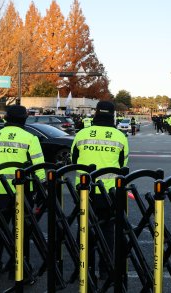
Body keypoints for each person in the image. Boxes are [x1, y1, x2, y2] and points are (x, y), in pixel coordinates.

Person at [0, 105, 45, 272]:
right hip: (22, 191)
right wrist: (43, 191)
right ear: (24, 118)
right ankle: (18, 267)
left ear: (6, 118)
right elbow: (38, 169)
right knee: (21, 230)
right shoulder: (30, 138)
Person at [71, 101, 129, 280]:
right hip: (109, 192)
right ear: (112, 115)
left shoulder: (82, 134)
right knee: (108, 232)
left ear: (95, 113)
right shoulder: (120, 136)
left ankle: (85, 270)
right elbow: (123, 165)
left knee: (84, 230)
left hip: (84, 191)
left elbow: (73, 161)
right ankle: (106, 270)